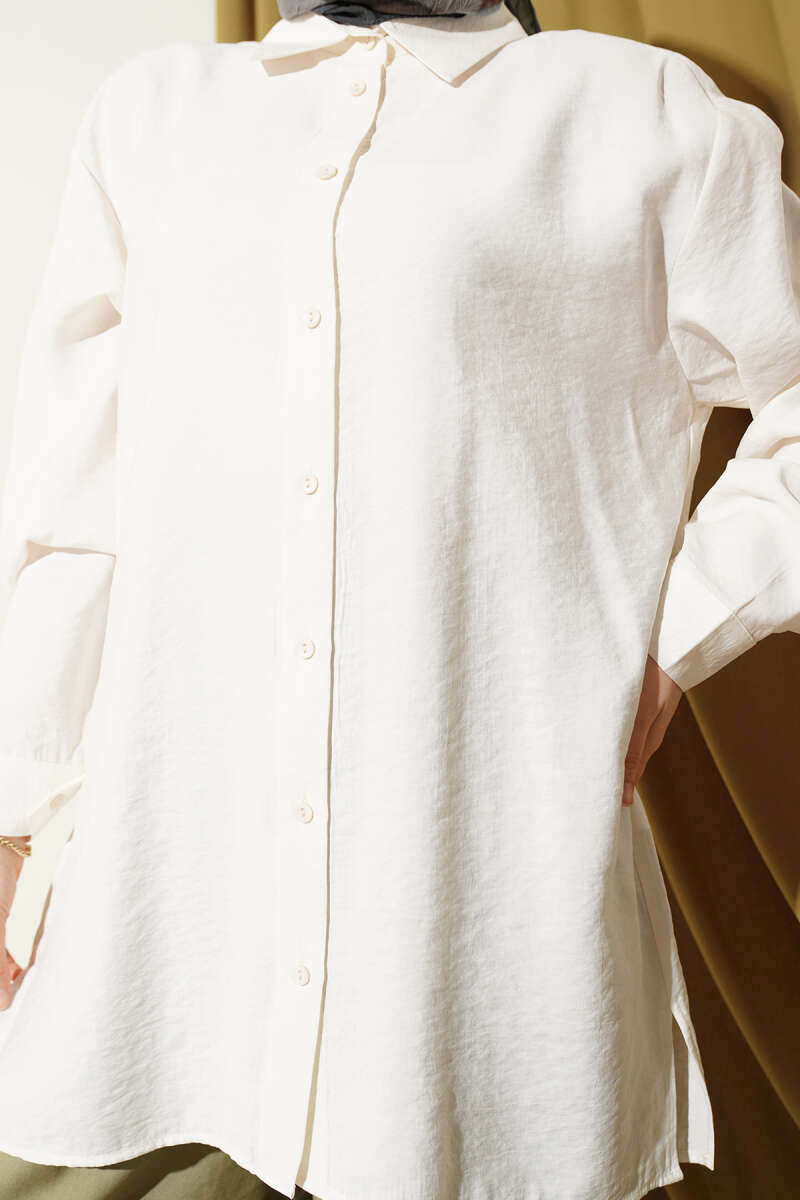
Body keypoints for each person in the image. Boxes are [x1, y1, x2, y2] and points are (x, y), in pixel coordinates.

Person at [0, 1, 798, 1198]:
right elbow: (74, 503)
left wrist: (681, 636)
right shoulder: (151, 118)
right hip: (176, 906)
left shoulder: (632, 115)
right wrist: (13, 814)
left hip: (473, 914)